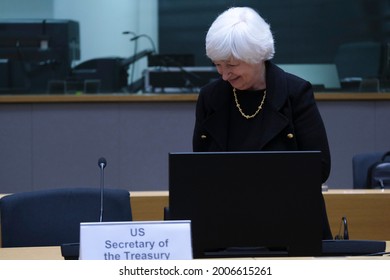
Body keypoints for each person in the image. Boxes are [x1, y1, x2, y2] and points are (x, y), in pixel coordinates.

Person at [193, 7, 332, 239]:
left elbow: (319, 166)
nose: (224, 75)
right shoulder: (211, 97)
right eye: (218, 64)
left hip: (292, 223)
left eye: (231, 64)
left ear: (256, 55)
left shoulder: (295, 93)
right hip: (227, 225)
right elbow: (199, 168)